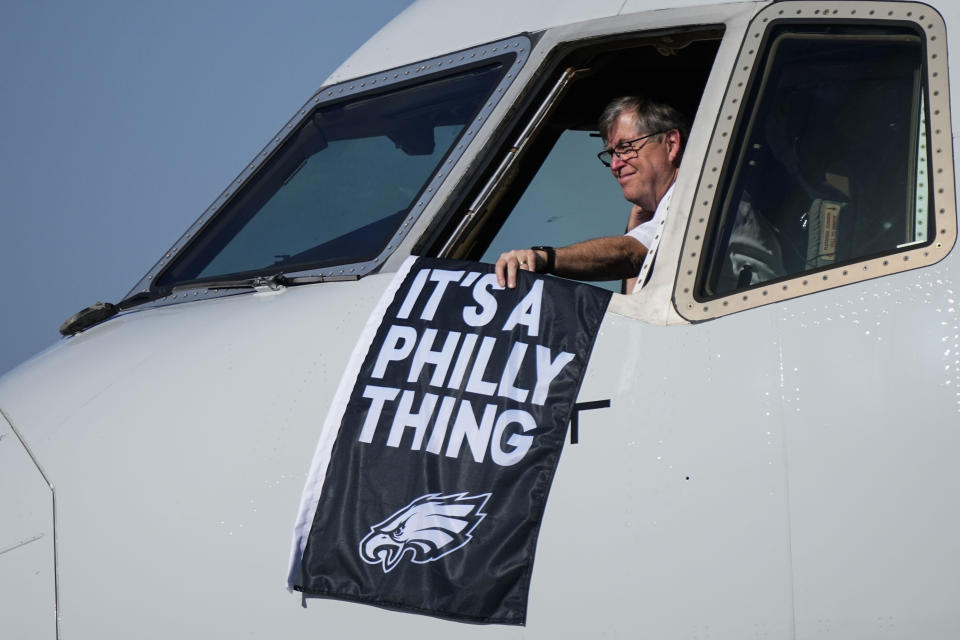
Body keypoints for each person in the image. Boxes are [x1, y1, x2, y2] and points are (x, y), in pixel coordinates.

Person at [494, 96, 688, 293]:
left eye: (626, 148)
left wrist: (544, 258)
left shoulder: (686, 195)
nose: (615, 165)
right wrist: (637, 230)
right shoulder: (660, 212)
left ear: (671, 143)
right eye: (611, 154)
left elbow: (630, 255)